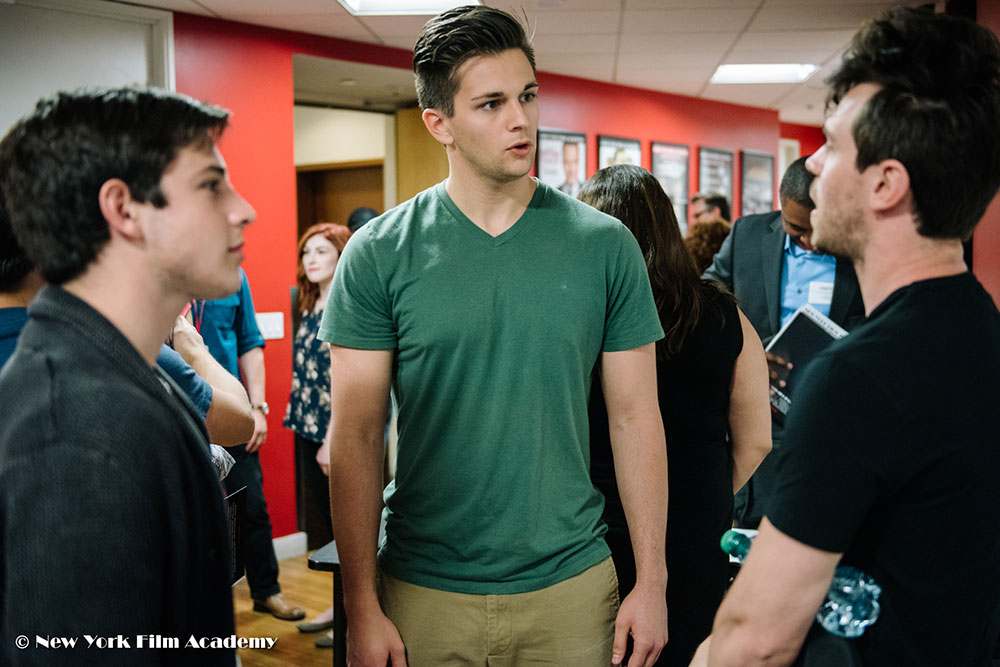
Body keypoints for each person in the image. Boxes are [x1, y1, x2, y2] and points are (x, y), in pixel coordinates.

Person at [321, 6, 669, 667]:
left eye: (529, 95)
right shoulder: (378, 253)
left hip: (571, 584)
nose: (522, 119)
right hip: (423, 587)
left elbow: (634, 416)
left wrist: (652, 579)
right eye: (492, 103)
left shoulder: (605, 246)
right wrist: (361, 604)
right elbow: (357, 432)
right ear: (439, 123)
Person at [693, 8, 1000, 666]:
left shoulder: (855, 379)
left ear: (886, 183)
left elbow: (752, 643)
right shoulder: (981, 326)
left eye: (831, 144)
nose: (812, 162)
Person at [0, 86, 255, 665]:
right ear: (123, 209)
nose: (243, 209)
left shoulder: (128, 376)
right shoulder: (77, 427)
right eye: (211, 186)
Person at [581, 165, 771, 667]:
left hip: (592, 521)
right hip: (694, 523)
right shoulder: (725, 315)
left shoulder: (583, 315)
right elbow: (756, 440)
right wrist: (702, 492)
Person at [703, 156, 864, 528]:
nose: (809, 241)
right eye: (796, 229)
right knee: (757, 526)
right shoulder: (747, 234)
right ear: (780, 204)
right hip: (758, 412)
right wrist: (750, 351)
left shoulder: (857, 250)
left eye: (815, 228)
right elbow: (709, 297)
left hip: (832, 416)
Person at [193, 269, 306, 621]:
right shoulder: (159, 263)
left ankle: (266, 591)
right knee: (194, 518)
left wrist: (257, 406)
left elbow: (249, 341)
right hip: (181, 408)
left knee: (250, 507)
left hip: (230, 412)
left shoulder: (234, 275)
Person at [284, 222, 352, 649]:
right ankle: (332, 607)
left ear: (341, 255)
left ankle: (347, 611)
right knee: (319, 522)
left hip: (334, 429)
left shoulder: (345, 305)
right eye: (306, 252)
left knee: (343, 521)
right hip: (305, 425)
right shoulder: (306, 304)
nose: (310, 259)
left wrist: (333, 437)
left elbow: (344, 384)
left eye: (321, 251)